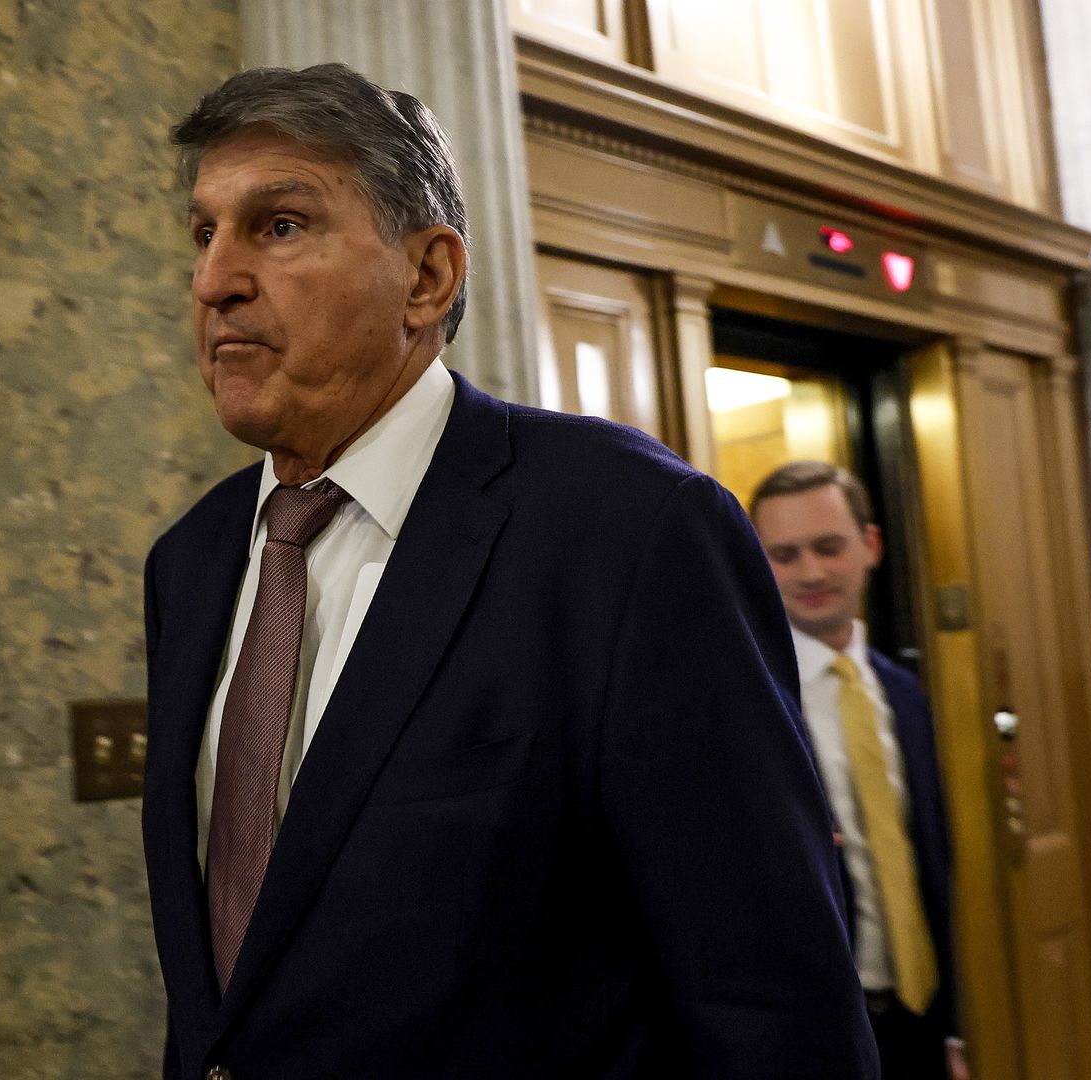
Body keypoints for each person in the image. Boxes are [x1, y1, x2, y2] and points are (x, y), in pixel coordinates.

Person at [141, 63, 876, 1079]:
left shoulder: (628, 531)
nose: (212, 280)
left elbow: (768, 1002)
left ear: (428, 276)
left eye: (279, 226)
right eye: (204, 233)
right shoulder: (189, 561)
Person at [749, 461, 967, 1080]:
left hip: (917, 1016)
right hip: (818, 1034)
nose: (811, 572)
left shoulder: (904, 694)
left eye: (828, 547)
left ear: (869, 546)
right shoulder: (748, 703)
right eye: (784, 555)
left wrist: (949, 1032)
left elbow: (930, 867)